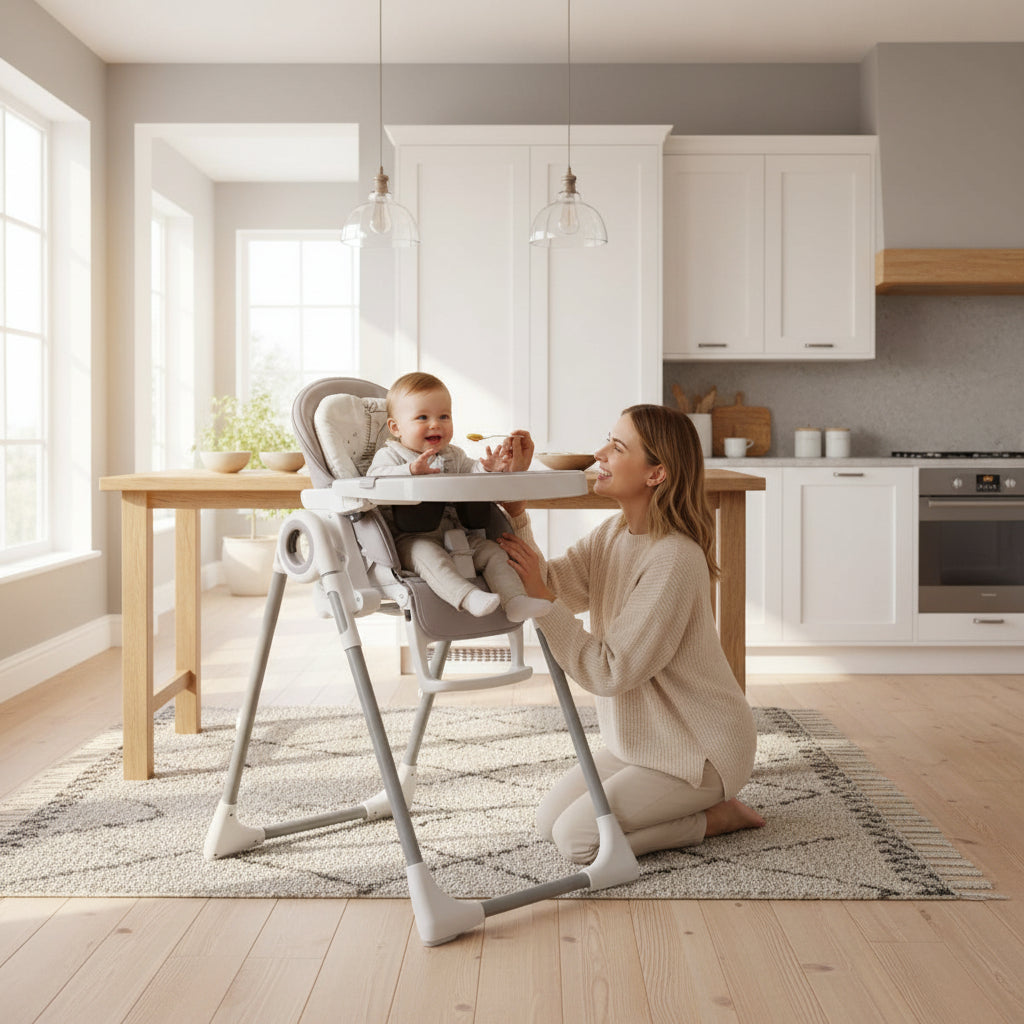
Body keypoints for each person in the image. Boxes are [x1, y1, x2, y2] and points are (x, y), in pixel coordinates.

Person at [497, 404, 765, 864]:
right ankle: (696, 811)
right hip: (641, 745)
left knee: (578, 841)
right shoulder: (615, 532)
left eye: (617, 447)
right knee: (548, 823)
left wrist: (545, 601)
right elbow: (549, 585)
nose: (599, 453)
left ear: (656, 473)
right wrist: (515, 507)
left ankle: (714, 817)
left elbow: (609, 672)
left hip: (699, 752)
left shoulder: (675, 559)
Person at [367, 371, 551, 622]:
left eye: (444, 416)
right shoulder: (391, 456)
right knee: (428, 556)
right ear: (396, 427)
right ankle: (467, 597)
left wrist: (487, 468)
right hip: (411, 540)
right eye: (423, 417)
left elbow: (471, 475)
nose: (435, 424)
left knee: (493, 553)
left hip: (460, 537)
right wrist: (409, 471)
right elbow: (373, 479)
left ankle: (515, 601)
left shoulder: (454, 455)